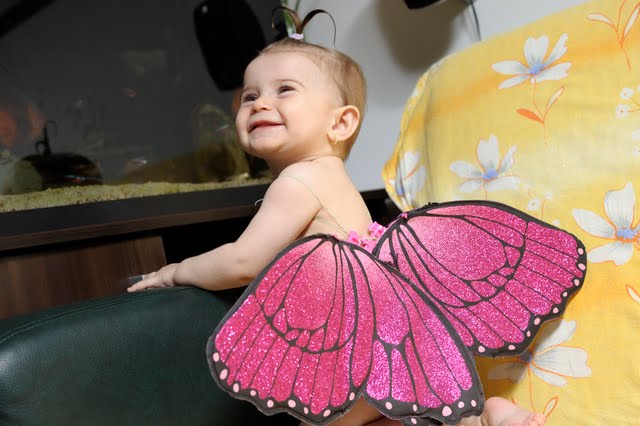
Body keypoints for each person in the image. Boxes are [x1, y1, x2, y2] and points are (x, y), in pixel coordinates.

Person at [128, 13, 545, 426]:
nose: (260, 103)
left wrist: (176, 271)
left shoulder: (298, 181)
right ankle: (486, 417)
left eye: (284, 89)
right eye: (250, 95)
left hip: (352, 344)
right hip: (392, 334)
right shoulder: (333, 178)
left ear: (340, 122)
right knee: (400, 414)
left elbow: (243, 261)